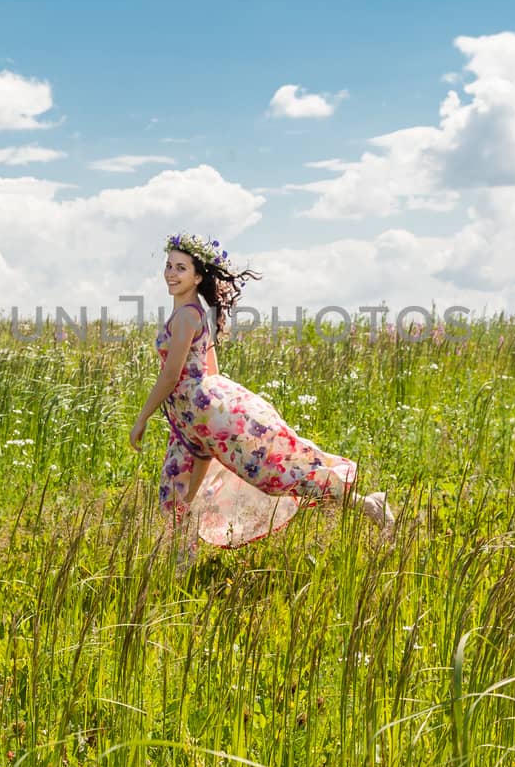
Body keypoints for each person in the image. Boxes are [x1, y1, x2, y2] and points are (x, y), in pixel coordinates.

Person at [128, 232, 394, 565]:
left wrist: (143, 418)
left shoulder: (186, 316)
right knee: (175, 498)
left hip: (208, 417)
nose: (171, 273)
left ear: (197, 276)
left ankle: (369, 504)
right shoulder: (192, 313)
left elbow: (171, 375)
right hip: (192, 423)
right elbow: (210, 367)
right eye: (168, 266)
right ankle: (180, 566)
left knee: (274, 473)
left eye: (181, 268)